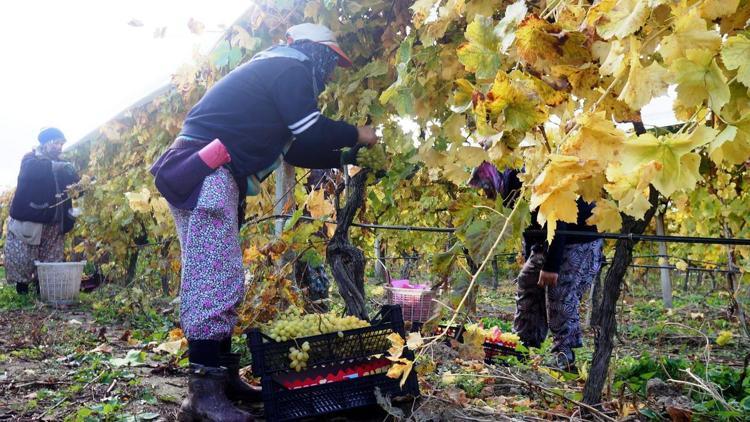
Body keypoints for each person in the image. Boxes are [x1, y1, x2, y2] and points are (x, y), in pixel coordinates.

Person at [150, 23, 378, 421]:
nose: (330, 73)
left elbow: (301, 148)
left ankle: (220, 379)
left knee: (219, 274)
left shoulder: (273, 73)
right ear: (314, 50)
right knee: (213, 277)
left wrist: (344, 158)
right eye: (331, 61)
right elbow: (312, 128)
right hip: (205, 172)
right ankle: (202, 396)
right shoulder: (289, 68)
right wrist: (360, 134)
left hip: (209, 173)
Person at [499, 169, 603, 371]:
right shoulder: (509, 184)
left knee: (559, 293)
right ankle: (523, 344)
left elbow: (559, 220)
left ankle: (565, 355)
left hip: (579, 239)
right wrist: (532, 255)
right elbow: (530, 225)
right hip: (548, 240)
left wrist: (551, 267)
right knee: (528, 281)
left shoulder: (531, 177)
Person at [5, 127, 79, 294]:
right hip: (33, 219)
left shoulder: (62, 164)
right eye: (56, 143)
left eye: (61, 144)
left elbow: (73, 187)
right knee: (24, 255)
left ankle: (42, 290)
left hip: (55, 222)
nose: (59, 147)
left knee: (50, 257)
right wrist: (56, 167)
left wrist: (82, 184)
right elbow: (31, 171)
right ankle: (22, 290)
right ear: (45, 144)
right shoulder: (30, 159)